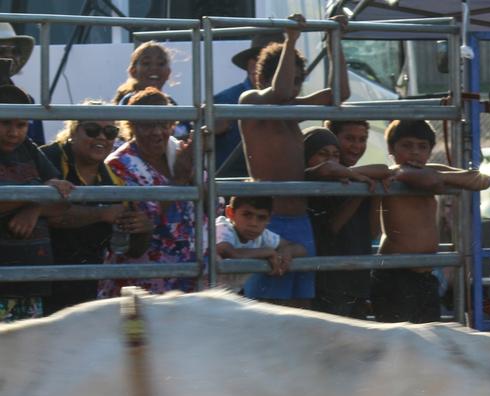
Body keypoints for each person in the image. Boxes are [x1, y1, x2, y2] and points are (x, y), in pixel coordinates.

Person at [240, 14, 351, 309]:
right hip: (267, 221)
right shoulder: (251, 103)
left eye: (299, 80)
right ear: (263, 77)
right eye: (291, 77)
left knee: (302, 306)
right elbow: (278, 92)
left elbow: (340, 94)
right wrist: (290, 40)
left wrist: (334, 41)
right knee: (265, 307)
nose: (295, 86)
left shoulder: (291, 111)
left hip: (299, 220)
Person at [373, 118, 490, 323]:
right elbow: (425, 179)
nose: (415, 152)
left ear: (430, 150)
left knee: (428, 340)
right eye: (407, 146)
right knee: (398, 344)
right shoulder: (391, 175)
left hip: (426, 275)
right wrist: (412, 176)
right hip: (395, 273)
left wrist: (437, 178)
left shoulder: (431, 171)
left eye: (422, 146)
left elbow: (482, 180)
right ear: (391, 148)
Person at [40, 109, 149, 313]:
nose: (101, 137)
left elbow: (132, 250)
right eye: (92, 130)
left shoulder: (114, 181)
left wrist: (143, 229)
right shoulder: (48, 158)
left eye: (110, 132)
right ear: (73, 132)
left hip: (82, 286)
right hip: (37, 278)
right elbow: (48, 213)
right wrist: (101, 213)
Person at [99, 88, 197, 298]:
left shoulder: (179, 152)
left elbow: (212, 204)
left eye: (163, 124)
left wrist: (197, 166)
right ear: (131, 125)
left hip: (187, 277)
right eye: (147, 125)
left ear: (173, 125)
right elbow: (143, 222)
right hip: (142, 281)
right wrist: (179, 179)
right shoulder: (118, 165)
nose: (156, 132)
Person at [0, 84, 74, 321]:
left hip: (30, 283)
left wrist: (35, 208)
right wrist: (38, 195)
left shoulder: (28, 149)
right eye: (6, 123)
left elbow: (62, 198)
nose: (14, 132)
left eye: (21, 125)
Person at [308, 121, 386, 317]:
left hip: (357, 280)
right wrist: (358, 190)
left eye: (362, 139)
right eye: (349, 138)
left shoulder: (357, 179)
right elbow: (332, 228)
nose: (357, 145)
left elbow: (373, 232)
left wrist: (373, 191)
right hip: (330, 281)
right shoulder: (322, 182)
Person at [213, 32, 282, 178]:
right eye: (273, 63)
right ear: (252, 65)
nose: (282, 70)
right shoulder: (224, 101)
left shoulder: (288, 99)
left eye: (283, 63)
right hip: (233, 190)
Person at [215, 195, 307, 294]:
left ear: (269, 219)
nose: (254, 223)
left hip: (229, 294)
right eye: (247, 215)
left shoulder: (262, 235)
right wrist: (267, 252)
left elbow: (300, 249)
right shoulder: (223, 227)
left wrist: (285, 251)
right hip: (204, 293)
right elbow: (226, 251)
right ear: (230, 213)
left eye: (261, 217)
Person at [0, 23, 44, 146]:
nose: (9, 56)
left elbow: (38, 146)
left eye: (15, 51)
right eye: (1, 50)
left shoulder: (29, 101)